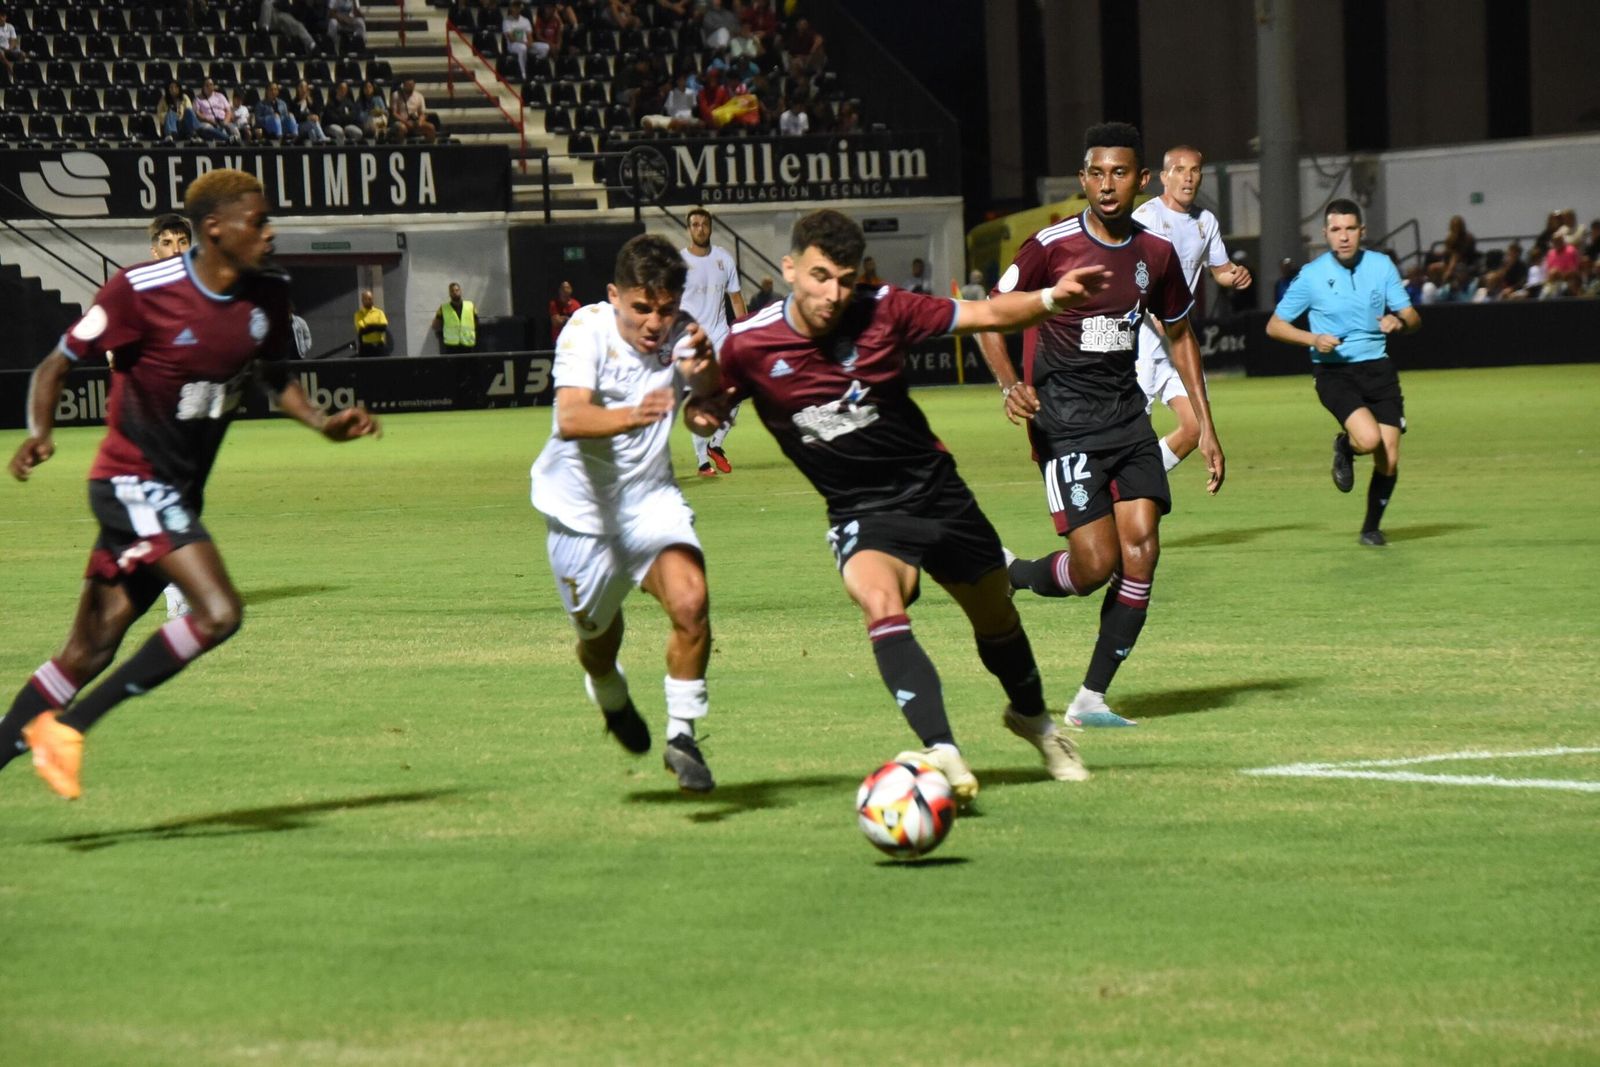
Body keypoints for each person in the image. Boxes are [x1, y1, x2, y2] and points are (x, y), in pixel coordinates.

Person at [0, 168, 381, 800]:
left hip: (176, 495)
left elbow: (272, 373)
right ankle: (67, 729)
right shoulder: (139, 291)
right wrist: (40, 431)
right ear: (215, 229)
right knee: (218, 612)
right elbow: (56, 363)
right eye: (258, 221)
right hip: (131, 483)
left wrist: (321, 422)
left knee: (88, 650)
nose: (270, 232)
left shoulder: (269, 292)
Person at [704, 209, 1110, 800]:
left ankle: (1036, 722)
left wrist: (1052, 297)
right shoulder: (748, 345)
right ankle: (942, 750)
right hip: (860, 510)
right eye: (819, 276)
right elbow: (706, 408)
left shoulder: (884, 307)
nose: (833, 294)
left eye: (845, 280)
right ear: (789, 269)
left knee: (996, 619)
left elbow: (987, 314)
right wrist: (699, 406)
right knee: (880, 601)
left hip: (936, 492)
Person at [988, 123, 1225, 729]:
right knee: (1094, 568)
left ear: (1140, 180)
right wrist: (1010, 384)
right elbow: (990, 314)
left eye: (1119, 173)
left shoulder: (1155, 254)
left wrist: (1206, 424)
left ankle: (1091, 698)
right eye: (1096, 173)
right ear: (1083, 179)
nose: (1107, 185)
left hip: (1127, 420)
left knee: (1142, 550)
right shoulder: (1051, 247)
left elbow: (1180, 335)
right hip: (1064, 426)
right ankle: (1013, 574)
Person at [530, 235, 722, 792]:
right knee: (598, 641)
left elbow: (706, 404)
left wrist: (708, 383)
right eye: (641, 307)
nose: (654, 323)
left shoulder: (685, 334)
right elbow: (571, 418)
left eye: (666, 308)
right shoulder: (586, 329)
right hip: (580, 518)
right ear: (615, 295)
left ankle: (683, 737)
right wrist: (635, 415)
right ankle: (609, 693)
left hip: (650, 501)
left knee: (691, 602)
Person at [1266, 198, 1420, 547]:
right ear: (1326, 234)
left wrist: (1399, 321)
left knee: (1389, 458)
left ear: (1362, 231)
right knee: (1368, 440)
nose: (1344, 236)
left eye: (1351, 229)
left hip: (1378, 370)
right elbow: (1274, 326)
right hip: (1334, 372)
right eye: (1336, 230)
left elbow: (1413, 319)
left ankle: (1370, 529)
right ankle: (1345, 446)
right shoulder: (1312, 275)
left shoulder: (1381, 266)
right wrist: (1313, 338)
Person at [1124, 144, 1252, 474]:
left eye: (1195, 170)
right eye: (1180, 170)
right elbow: (1129, 274)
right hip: (1140, 348)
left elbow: (1220, 270)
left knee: (1196, 427)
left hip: (1178, 344)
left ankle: (1143, 477)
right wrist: (1152, 309)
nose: (1188, 177)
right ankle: (1130, 484)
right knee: (1131, 439)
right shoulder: (1146, 218)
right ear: (1164, 177)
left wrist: (1234, 275)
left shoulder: (1205, 221)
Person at [678, 208, 746, 477]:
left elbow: (736, 298)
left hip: (721, 335)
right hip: (694, 340)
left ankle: (715, 444)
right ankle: (702, 461)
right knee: (702, 398)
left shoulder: (723, 258)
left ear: (710, 227)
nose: (700, 228)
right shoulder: (680, 263)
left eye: (704, 224)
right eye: (695, 224)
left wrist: (744, 331)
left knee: (739, 388)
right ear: (689, 229)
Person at [432, 282, 478, 352]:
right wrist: (442, 336)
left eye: (457, 290)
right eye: (452, 291)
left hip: (468, 345)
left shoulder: (470, 306)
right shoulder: (443, 308)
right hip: (451, 347)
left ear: (460, 291)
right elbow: (435, 326)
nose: (455, 292)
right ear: (449, 293)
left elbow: (477, 324)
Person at [501, 0, 534, 79]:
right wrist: (524, 42)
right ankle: (522, 73)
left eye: (518, 7)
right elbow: (511, 38)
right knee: (522, 48)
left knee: (544, 47)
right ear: (511, 8)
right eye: (515, 7)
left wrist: (530, 43)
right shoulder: (506, 21)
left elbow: (529, 35)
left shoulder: (525, 20)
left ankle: (536, 70)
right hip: (513, 45)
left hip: (526, 44)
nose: (516, 9)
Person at [354, 289, 390, 357]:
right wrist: (376, 326)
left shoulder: (379, 312)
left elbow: (383, 327)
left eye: (370, 299)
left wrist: (370, 326)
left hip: (379, 345)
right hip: (366, 347)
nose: (368, 301)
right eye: (366, 299)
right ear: (362, 300)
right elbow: (362, 330)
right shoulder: (359, 314)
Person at [548, 279, 580, 344]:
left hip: (572, 339)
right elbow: (556, 323)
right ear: (559, 290)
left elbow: (578, 323)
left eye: (567, 288)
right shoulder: (554, 304)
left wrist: (563, 318)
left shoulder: (576, 304)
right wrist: (569, 319)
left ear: (571, 290)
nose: (565, 290)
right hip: (558, 339)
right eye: (563, 288)